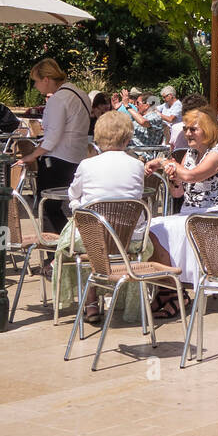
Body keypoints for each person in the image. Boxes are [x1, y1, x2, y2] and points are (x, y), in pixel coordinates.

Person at [54, 109, 160, 322]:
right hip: (129, 240)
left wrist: (79, 207)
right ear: (128, 136)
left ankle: (90, 301)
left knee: (78, 240)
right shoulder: (137, 165)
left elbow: (72, 195)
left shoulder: (87, 164)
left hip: (93, 241)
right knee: (96, 233)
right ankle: (118, 298)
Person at [146, 109, 218, 289]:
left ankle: (171, 291)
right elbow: (177, 193)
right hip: (190, 212)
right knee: (152, 227)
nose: (187, 133)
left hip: (214, 214)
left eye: (193, 129)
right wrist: (174, 179)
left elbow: (191, 176)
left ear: (207, 130)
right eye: (186, 129)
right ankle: (170, 288)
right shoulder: (190, 153)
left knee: (160, 229)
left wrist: (164, 162)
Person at [21, 58, 92, 233]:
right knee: (59, 207)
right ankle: (67, 247)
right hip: (78, 157)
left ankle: (55, 252)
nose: (36, 86)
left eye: (36, 81)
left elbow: (52, 138)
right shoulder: (80, 94)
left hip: (57, 160)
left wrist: (32, 156)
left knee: (46, 207)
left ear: (46, 79)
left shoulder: (57, 99)